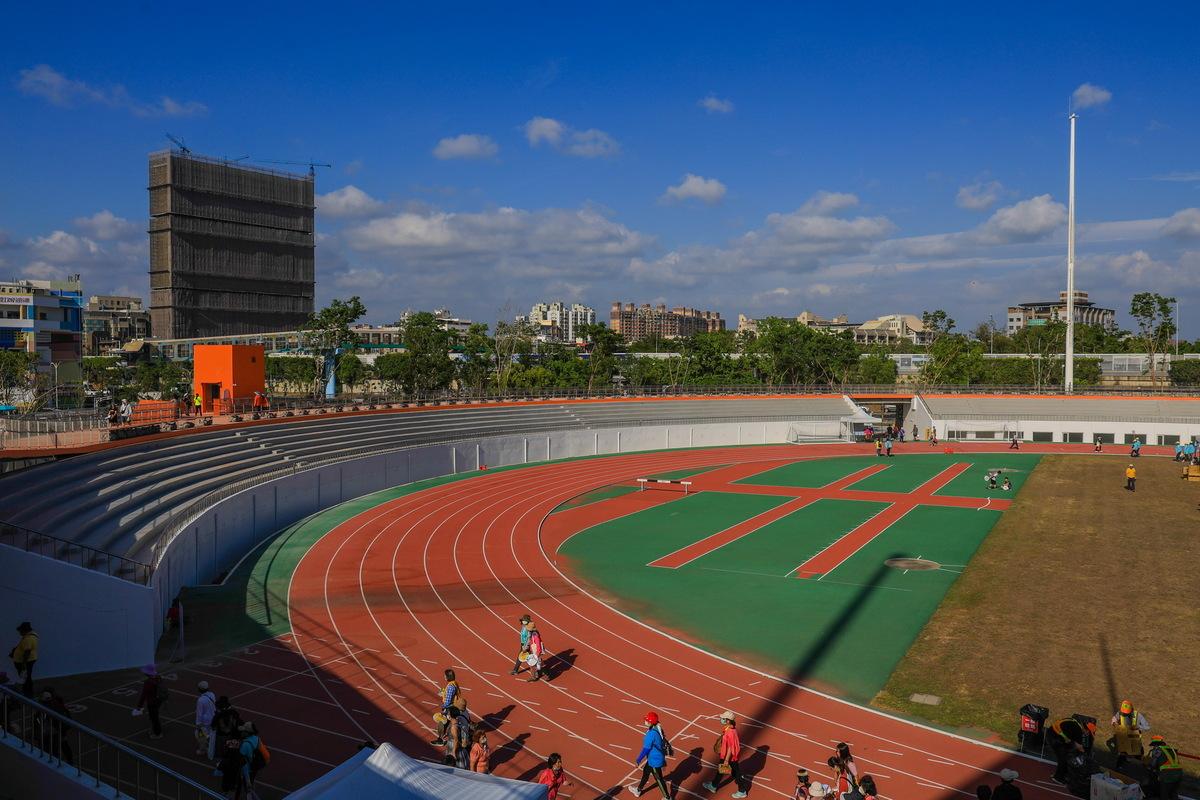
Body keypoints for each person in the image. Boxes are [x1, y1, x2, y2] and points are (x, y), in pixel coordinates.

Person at [702, 710, 748, 798]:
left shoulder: (730, 732)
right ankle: (713, 785)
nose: (721, 719)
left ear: (728, 720)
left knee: (736, 773)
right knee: (722, 770)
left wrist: (727, 759)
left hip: (729, 756)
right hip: (726, 755)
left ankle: (742, 790)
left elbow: (731, 747)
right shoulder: (728, 728)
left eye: (723, 718)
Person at [629, 710, 671, 797]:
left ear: (651, 723)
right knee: (646, 772)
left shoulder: (651, 734)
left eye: (647, 721)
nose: (645, 721)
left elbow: (646, 749)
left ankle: (667, 797)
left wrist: (638, 760)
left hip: (654, 760)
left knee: (659, 779)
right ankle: (638, 790)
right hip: (654, 758)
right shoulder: (657, 729)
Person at [1047, 716, 1093, 784]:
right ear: (1086, 729)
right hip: (1054, 737)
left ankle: (1063, 774)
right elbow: (1079, 747)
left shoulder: (1076, 723)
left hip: (1053, 732)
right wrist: (1085, 754)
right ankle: (1058, 778)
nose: (1087, 734)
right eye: (1088, 732)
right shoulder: (1078, 731)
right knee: (1063, 758)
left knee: (1067, 754)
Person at [1107, 699, 1150, 768]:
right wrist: (1115, 724)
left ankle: (1140, 769)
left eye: (1126, 713)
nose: (1124, 714)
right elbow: (1114, 719)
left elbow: (1147, 727)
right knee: (1122, 754)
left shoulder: (1138, 716)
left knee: (1139, 755)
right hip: (1124, 738)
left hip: (1135, 739)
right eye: (1124, 712)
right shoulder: (1120, 713)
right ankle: (1118, 768)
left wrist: (1138, 727)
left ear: (1131, 710)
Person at [38, 687, 74, 764]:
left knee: (56, 746)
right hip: (60, 727)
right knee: (63, 744)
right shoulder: (57, 703)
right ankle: (69, 760)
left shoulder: (52, 707)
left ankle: (63, 761)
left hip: (56, 729)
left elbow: (45, 719)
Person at [1144, 734, 1183, 799]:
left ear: (1155, 744)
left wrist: (1148, 766)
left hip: (1167, 775)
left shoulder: (1157, 750)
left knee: (1164, 795)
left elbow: (1153, 764)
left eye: (1153, 745)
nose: (1153, 747)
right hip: (1179, 774)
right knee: (1173, 793)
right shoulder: (1171, 749)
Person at [135, 663, 167, 739]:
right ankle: (154, 729)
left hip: (152, 702)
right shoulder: (158, 678)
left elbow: (143, 695)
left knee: (154, 718)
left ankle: (158, 733)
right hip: (159, 700)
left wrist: (139, 706)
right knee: (154, 716)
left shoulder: (148, 683)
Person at [431, 668, 459, 745]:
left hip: (449, 708)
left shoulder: (450, 686)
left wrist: (444, 707)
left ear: (448, 677)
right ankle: (443, 738)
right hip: (453, 707)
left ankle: (440, 740)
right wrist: (444, 693)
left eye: (445, 675)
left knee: (441, 722)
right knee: (447, 723)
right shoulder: (454, 684)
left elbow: (448, 700)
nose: (444, 677)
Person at [238, 721, 266, 799]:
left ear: (247, 733)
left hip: (248, 768)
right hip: (255, 765)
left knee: (248, 787)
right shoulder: (257, 738)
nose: (242, 732)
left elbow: (243, 763)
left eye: (244, 731)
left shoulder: (245, 745)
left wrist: (247, 780)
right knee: (252, 781)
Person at [10, 621, 38, 696]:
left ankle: (27, 693)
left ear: (24, 630)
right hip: (29, 660)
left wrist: (23, 664)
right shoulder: (31, 636)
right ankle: (28, 692)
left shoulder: (28, 639)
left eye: (20, 631)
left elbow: (27, 651)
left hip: (25, 662)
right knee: (27, 677)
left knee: (25, 678)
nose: (19, 633)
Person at [195, 680, 218, 760]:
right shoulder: (212, 694)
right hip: (213, 718)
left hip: (205, 722)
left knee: (200, 736)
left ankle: (203, 749)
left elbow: (199, 713)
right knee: (211, 734)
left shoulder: (201, 700)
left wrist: (198, 724)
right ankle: (211, 747)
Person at [446, 705, 471, 769]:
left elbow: (456, 740)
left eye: (448, 713)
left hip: (454, 747)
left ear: (451, 714)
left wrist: (453, 753)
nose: (447, 714)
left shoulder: (454, 727)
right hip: (455, 745)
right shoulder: (456, 722)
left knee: (457, 766)